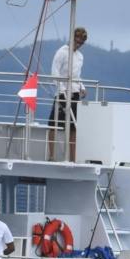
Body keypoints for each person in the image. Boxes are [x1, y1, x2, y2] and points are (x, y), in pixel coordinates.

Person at [48, 26, 89, 161]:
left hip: (75, 92)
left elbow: (77, 75)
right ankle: (52, 155)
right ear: (72, 38)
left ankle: (73, 158)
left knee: (73, 126)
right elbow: (55, 72)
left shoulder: (80, 56)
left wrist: (82, 86)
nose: (78, 45)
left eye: (81, 43)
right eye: (77, 41)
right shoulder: (62, 52)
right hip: (62, 92)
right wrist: (61, 90)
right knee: (53, 123)